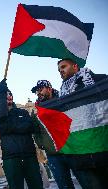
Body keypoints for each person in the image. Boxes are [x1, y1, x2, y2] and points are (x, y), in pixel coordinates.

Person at [57, 58, 108, 188]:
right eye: (59, 69)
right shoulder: (62, 95)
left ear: (75, 66)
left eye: (63, 66)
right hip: (81, 155)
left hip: (103, 149)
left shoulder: (100, 80)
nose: (61, 71)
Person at [0, 79, 43, 189]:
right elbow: (2, 117)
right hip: (11, 157)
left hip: (29, 155)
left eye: (10, 95)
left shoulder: (23, 112)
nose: (8, 97)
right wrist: (1, 94)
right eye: (5, 95)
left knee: (37, 185)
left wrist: (7, 128)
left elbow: (30, 127)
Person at [32, 80, 82, 189]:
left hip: (72, 150)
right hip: (53, 154)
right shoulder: (36, 110)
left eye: (40, 89)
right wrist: (42, 144)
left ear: (49, 88)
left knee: (85, 181)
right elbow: (36, 131)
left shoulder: (63, 100)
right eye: (37, 91)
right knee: (64, 186)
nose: (38, 93)